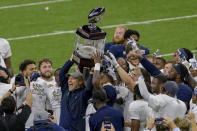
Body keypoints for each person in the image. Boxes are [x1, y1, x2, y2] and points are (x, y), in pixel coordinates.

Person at [59, 53, 94, 131]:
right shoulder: (66, 90)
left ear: (80, 82)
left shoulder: (83, 94)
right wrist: (72, 59)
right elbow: (62, 73)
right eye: (69, 78)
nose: (69, 80)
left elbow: (88, 88)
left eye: (73, 78)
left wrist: (92, 72)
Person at [26, 58, 55, 128]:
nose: (47, 69)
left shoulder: (57, 80)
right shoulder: (35, 83)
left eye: (49, 67)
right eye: (44, 67)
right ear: (39, 71)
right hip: (41, 121)